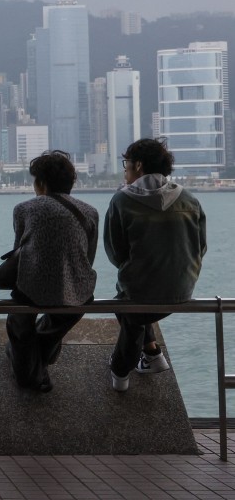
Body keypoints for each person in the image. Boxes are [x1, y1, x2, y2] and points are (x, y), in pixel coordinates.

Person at [105, 138, 206, 392]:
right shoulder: (189, 200)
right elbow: (201, 246)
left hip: (140, 293)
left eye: (126, 163)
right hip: (183, 289)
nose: (124, 169)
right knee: (134, 297)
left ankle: (120, 371)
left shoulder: (121, 201)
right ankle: (152, 354)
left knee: (126, 304)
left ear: (138, 165)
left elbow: (115, 252)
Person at [4, 151, 98, 392]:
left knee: (19, 324)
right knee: (59, 318)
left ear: (41, 183)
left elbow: (20, 252)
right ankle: (40, 355)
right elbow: (89, 258)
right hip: (78, 292)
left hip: (31, 289)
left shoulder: (23, 209)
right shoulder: (90, 212)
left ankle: (30, 373)